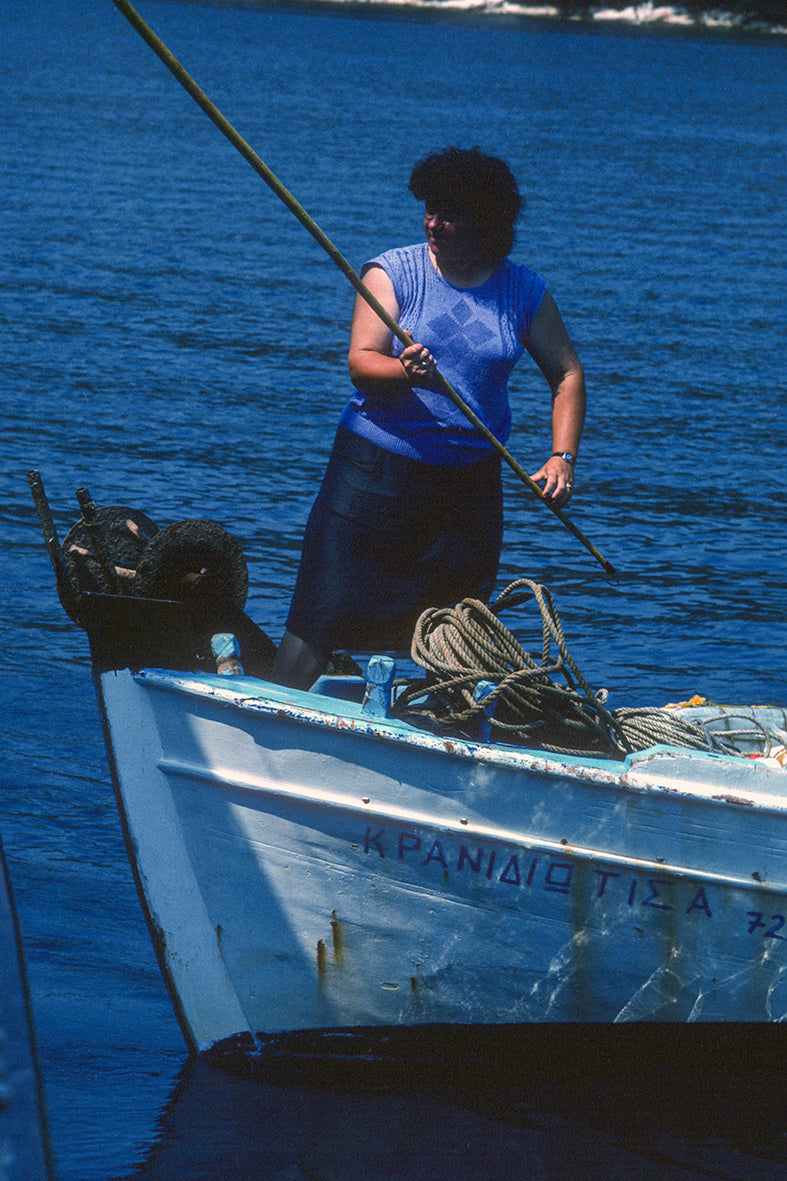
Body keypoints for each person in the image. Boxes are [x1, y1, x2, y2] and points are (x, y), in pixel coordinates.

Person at [272, 146, 585, 689]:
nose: (433, 222)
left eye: (450, 213)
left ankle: (431, 743)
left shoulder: (523, 292)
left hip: (467, 490)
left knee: (451, 634)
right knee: (320, 616)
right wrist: (403, 372)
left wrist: (561, 458)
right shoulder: (394, 272)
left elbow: (567, 376)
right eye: (429, 209)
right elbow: (361, 363)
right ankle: (273, 715)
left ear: (486, 222)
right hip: (373, 475)